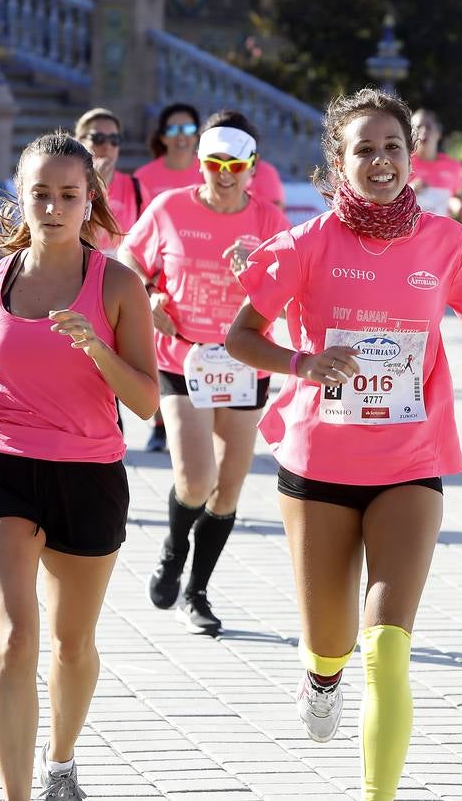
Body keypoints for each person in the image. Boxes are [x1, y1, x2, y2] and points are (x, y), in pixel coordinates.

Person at [225, 88, 462, 800]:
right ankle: (320, 678)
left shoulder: (448, 242)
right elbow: (240, 337)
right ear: (337, 162)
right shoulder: (305, 244)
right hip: (319, 463)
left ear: (411, 157)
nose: (379, 161)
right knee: (333, 642)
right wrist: (301, 363)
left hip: (410, 461)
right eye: (363, 149)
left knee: (386, 648)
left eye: (391, 147)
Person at [0, 132, 157, 801]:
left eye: (68, 194)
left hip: (88, 474)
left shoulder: (116, 283)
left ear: (90, 198)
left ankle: (60, 760)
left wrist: (97, 347)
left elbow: (146, 401)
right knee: (15, 638)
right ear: (20, 199)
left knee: (72, 645)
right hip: (0, 465)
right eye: (41, 194)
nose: (54, 207)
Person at [120, 110, 290, 634]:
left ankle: (198, 591)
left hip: (244, 362)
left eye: (234, 165)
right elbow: (126, 261)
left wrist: (258, 274)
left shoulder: (267, 221)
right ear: (199, 163)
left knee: (228, 490)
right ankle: (173, 548)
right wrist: (148, 299)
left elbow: (292, 292)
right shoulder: (169, 208)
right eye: (214, 163)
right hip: (181, 358)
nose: (223, 174)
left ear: (252, 168)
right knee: (195, 481)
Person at [135, 103, 204, 452]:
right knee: (155, 346)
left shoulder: (206, 172)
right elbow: (137, 235)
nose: (181, 138)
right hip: (156, 276)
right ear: (162, 136)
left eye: (188, 130)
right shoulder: (145, 177)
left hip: (198, 277)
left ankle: (197, 411)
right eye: (174, 131)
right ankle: (159, 424)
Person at [74, 107, 145, 255]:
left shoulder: (135, 187)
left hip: (121, 270)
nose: (107, 146)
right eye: (98, 138)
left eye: (114, 140)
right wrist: (96, 186)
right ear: (80, 141)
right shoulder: (67, 185)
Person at [408, 108, 462, 223]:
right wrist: (409, 190)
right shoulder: (403, 164)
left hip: (442, 233)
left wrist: (459, 209)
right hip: (410, 234)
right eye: (418, 127)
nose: (424, 131)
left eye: (429, 126)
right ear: (410, 134)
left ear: (439, 133)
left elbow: (457, 198)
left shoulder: (454, 167)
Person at [135, 102, 204, 201]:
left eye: (188, 129)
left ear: (197, 136)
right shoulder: (142, 177)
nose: (181, 136)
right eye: (172, 129)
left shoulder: (210, 172)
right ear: (163, 137)